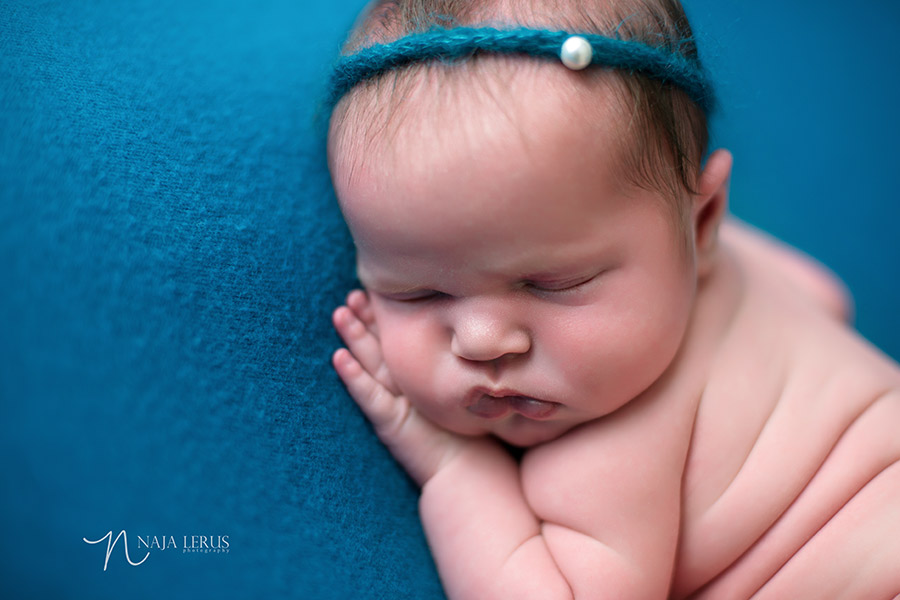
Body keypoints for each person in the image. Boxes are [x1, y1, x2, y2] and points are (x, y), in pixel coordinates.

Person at [327, 1, 900, 597]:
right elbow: (826, 296)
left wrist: (455, 470)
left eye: (553, 283)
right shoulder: (740, 263)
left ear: (703, 220)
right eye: (416, 293)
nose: (481, 341)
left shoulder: (603, 461)